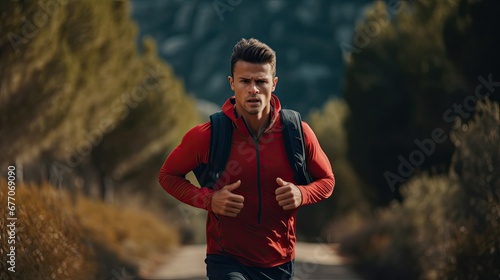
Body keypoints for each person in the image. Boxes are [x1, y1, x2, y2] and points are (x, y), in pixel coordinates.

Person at [158, 38, 335, 280]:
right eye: (245, 81)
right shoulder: (208, 135)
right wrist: (209, 200)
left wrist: (301, 194)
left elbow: (327, 180)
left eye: (261, 81)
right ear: (232, 83)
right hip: (226, 259)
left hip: (279, 261)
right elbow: (167, 176)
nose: (253, 89)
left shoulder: (297, 132)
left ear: (274, 84)